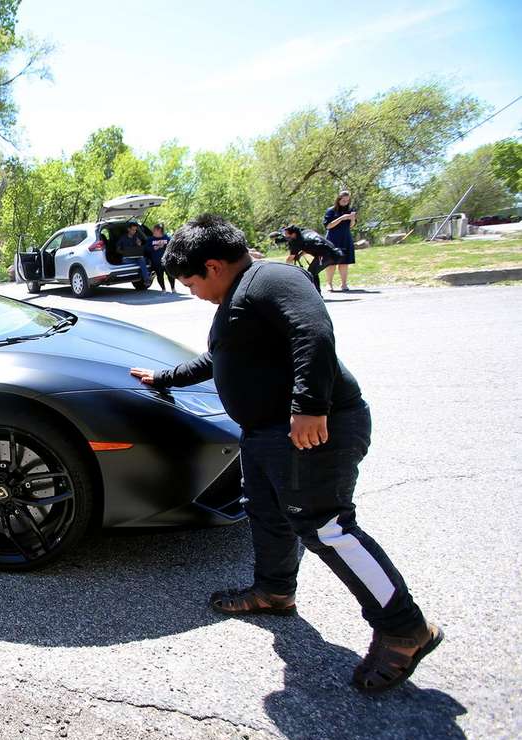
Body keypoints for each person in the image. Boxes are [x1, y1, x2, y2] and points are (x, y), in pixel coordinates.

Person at [128, 214, 441, 694]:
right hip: (267, 433)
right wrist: (166, 377)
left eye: (190, 281)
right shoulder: (240, 295)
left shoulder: (273, 277)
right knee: (267, 514)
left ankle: (405, 628)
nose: (190, 291)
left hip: (312, 428)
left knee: (327, 528)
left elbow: (313, 333)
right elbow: (223, 358)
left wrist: (310, 406)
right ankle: (274, 591)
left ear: (212, 265)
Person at [283, 224, 343, 292]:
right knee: (312, 272)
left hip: (326, 255)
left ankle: (316, 293)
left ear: (293, 234)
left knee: (311, 273)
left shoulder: (296, 241)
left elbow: (290, 258)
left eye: (287, 235)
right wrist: (300, 255)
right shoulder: (306, 232)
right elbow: (310, 245)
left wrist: (285, 269)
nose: (286, 237)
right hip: (334, 252)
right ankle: (317, 292)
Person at [324, 191, 357, 292]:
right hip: (333, 239)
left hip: (346, 238)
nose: (345, 202)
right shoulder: (331, 211)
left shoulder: (350, 210)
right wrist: (342, 218)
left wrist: (352, 219)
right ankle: (329, 284)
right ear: (338, 200)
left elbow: (351, 226)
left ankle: (344, 284)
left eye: (347, 201)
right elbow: (328, 226)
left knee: (344, 262)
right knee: (331, 263)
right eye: (343, 200)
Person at [116, 222, 152, 287]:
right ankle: (146, 276)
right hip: (126, 259)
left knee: (141, 259)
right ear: (128, 229)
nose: (134, 231)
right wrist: (125, 252)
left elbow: (138, 250)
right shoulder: (123, 238)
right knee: (143, 261)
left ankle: (147, 280)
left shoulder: (136, 237)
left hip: (136, 258)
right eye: (133, 230)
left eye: (135, 230)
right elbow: (117, 250)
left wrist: (139, 245)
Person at [146, 223, 173, 292]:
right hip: (157, 262)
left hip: (167, 261)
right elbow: (146, 249)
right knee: (160, 276)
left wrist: (163, 246)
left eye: (154, 230)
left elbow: (172, 247)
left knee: (170, 275)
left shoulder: (167, 238)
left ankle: (173, 288)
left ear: (159, 230)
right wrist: (153, 248)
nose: (153, 231)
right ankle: (163, 289)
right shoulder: (150, 239)